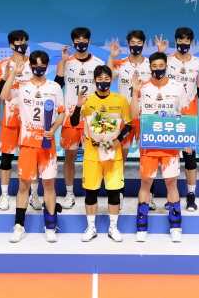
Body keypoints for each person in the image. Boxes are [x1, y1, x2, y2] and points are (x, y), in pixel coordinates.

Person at [1, 51, 65, 243]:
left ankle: (51, 226)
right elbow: (4, 94)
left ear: (47, 67)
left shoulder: (54, 87)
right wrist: (13, 73)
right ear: (30, 67)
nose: (39, 69)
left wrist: (53, 129)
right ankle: (19, 226)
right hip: (28, 143)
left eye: (42, 66)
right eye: (35, 66)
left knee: (49, 185)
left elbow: (61, 113)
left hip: (47, 144)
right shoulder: (22, 86)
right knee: (23, 185)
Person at [130, 52, 191, 243]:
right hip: (148, 144)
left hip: (170, 144)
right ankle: (141, 227)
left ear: (166, 66)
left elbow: (185, 114)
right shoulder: (142, 87)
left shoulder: (177, 87)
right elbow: (133, 115)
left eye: (161, 66)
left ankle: (176, 227)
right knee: (146, 183)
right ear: (150, 67)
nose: (158, 69)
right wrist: (134, 92)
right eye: (154, 66)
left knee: (171, 183)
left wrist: (187, 140)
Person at [70, 65, 132, 242]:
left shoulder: (120, 100)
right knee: (91, 192)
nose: (103, 82)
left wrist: (118, 140)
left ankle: (113, 228)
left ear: (111, 80)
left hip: (113, 153)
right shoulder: (87, 100)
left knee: (114, 192)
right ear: (94, 81)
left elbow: (129, 125)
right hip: (92, 153)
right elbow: (73, 122)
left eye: (106, 79)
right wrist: (78, 106)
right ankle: (91, 228)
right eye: (100, 79)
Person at [55, 27, 104, 209]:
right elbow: (57, 85)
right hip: (71, 116)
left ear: (89, 42)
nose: (81, 43)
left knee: (94, 157)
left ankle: (92, 192)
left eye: (84, 40)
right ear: (73, 42)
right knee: (70, 156)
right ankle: (70, 194)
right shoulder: (66, 63)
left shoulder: (97, 63)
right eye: (77, 40)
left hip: (93, 118)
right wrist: (63, 62)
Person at [155, 28, 199, 211]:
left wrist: (187, 103)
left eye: (186, 40)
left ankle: (191, 196)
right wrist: (160, 53)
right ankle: (172, 195)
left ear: (191, 42)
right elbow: (158, 79)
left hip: (189, 117)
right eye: (180, 40)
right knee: (171, 159)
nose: (183, 43)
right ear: (176, 41)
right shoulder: (166, 60)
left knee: (190, 158)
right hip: (169, 116)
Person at [0, 30, 41, 212]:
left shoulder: (34, 63)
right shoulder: (3, 65)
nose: (23, 45)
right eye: (19, 42)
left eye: (25, 41)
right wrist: (7, 76)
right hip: (10, 118)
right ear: (11, 45)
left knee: (32, 159)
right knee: (6, 158)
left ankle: (34, 195)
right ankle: (5, 195)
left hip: (31, 120)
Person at [107, 30, 151, 210]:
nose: (136, 46)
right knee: (120, 157)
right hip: (124, 119)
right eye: (132, 42)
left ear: (143, 44)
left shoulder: (150, 64)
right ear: (128, 44)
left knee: (147, 157)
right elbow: (108, 78)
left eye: (139, 43)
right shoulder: (120, 63)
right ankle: (119, 194)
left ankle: (149, 195)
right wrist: (111, 57)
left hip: (145, 117)